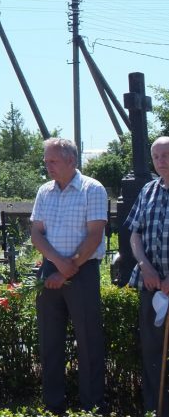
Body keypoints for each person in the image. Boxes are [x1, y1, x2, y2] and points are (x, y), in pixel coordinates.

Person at [31, 138, 107, 415]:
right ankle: (53, 405)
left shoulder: (92, 188)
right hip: (50, 270)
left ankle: (92, 405)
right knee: (49, 341)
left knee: (88, 341)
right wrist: (56, 264)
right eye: (46, 161)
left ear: (71, 161)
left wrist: (69, 267)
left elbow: (95, 234)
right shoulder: (44, 192)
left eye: (53, 161)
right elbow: (36, 233)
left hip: (83, 271)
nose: (48, 166)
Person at [125, 136, 169, 416]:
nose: (161, 161)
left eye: (166, 155)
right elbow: (135, 233)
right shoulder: (148, 190)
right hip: (151, 285)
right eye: (157, 156)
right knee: (153, 355)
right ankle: (157, 409)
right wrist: (144, 266)